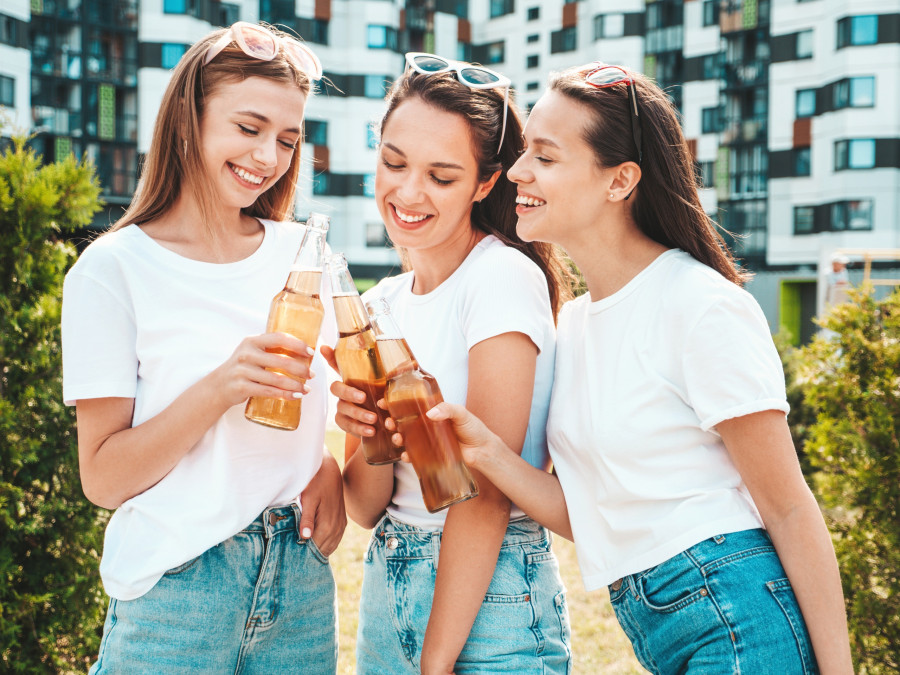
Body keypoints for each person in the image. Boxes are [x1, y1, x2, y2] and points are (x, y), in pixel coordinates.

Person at [425, 63, 854, 673]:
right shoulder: (572, 325)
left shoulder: (699, 305)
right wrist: (488, 453)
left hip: (735, 616)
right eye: (524, 153)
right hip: (662, 622)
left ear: (620, 180)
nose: (518, 173)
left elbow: (787, 507)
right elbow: (599, 515)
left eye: (545, 158)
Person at [61, 23, 345, 672]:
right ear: (188, 119)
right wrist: (223, 386)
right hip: (176, 592)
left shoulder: (305, 257)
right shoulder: (112, 271)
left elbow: (332, 401)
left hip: (298, 589)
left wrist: (325, 464)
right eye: (248, 128)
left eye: (287, 138)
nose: (268, 156)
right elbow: (103, 477)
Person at [322, 53, 574, 675]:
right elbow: (364, 507)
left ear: (486, 184)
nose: (408, 193)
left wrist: (433, 664)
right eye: (394, 163)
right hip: (389, 584)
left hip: (492, 598)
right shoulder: (379, 305)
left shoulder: (500, 279)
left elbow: (485, 495)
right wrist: (373, 439)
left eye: (441, 176)